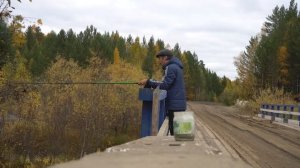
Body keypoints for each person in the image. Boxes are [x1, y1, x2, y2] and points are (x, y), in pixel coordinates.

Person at [138, 49, 186, 135]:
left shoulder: (171, 67)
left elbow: (165, 85)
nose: (159, 61)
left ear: (165, 58)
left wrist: (148, 82)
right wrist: (150, 82)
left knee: (176, 135)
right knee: (180, 135)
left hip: (174, 107)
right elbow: (166, 84)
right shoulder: (176, 67)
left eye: (160, 59)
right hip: (178, 106)